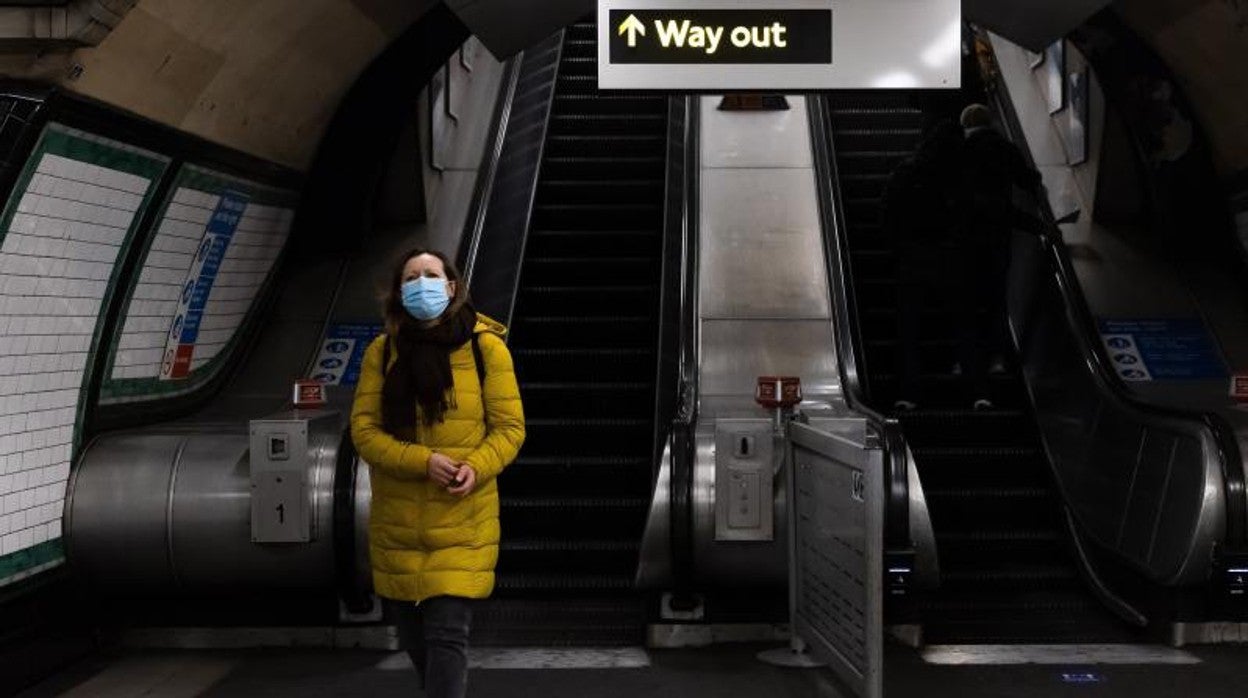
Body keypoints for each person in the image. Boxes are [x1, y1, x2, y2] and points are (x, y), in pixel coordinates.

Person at [350, 248, 525, 698]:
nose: (421, 283)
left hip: (461, 520)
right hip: (398, 524)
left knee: (447, 637)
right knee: (415, 641)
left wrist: (476, 466)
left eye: (431, 275)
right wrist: (421, 461)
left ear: (451, 287)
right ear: (398, 292)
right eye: (411, 277)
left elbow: (509, 429)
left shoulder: (488, 350)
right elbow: (364, 432)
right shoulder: (382, 352)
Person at [957, 103, 1042, 410]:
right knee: (996, 300)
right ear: (991, 121)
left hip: (962, 239)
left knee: (965, 302)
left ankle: (964, 362)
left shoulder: (957, 151)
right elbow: (1028, 181)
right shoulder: (1004, 148)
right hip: (997, 237)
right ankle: (997, 359)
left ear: (964, 124)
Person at [883, 119, 965, 412]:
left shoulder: (905, 173)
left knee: (909, 328)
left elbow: (889, 212)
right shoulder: (954, 179)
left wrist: (897, 248)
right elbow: (967, 214)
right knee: (961, 321)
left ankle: (908, 393)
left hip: (911, 258)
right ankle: (974, 390)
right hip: (947, 256)